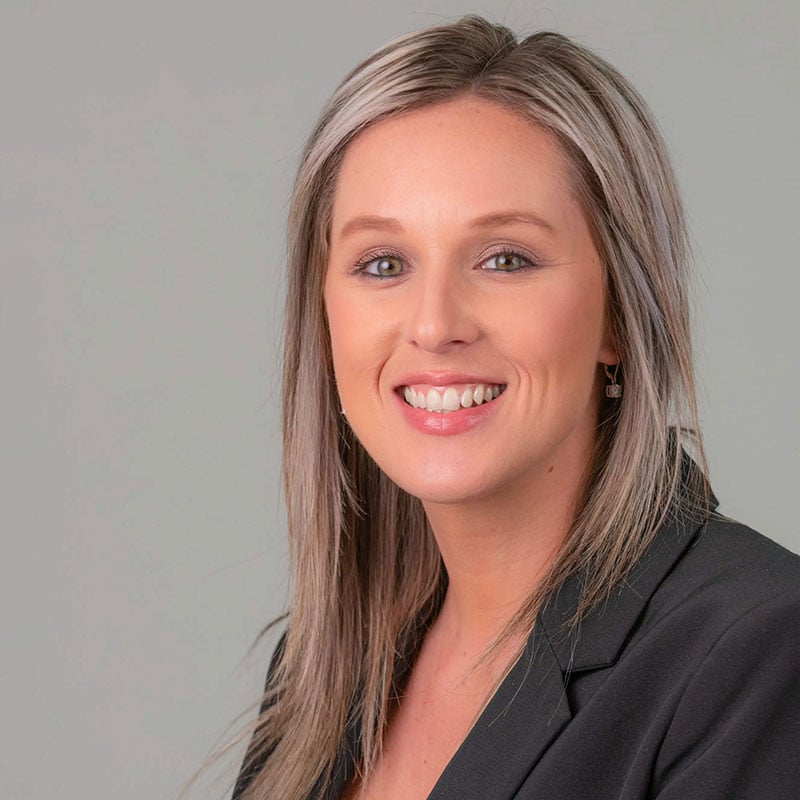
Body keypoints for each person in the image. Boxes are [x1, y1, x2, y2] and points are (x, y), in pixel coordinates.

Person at [230, 15, 799, 800]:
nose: (434, 325)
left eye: (506, 259)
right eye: (383, 263)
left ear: (618, 316)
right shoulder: (319, 669)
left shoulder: (755, 649)